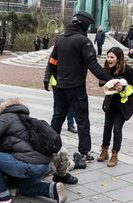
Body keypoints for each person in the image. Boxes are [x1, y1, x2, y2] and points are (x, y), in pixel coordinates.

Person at [44, 11, 113, 169]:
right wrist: (110, 78)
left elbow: (52, 62)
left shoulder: (60, 39)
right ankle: (84, 152)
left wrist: (53, 78)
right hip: (76, 88)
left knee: (57, 118)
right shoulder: (83, 41)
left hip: (60, 87)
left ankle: (51, 150)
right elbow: (93, 65)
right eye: (88, 25)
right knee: (82, 120)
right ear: (83, 24)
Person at [0, 98, 67, 203]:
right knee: (25, 188)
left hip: (30, 165)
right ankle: (52, 189)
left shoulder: (4, 117)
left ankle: (0, 195)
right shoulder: (24, 118)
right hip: (45, 165)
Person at [97, 47, 133, 167]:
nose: (109, 59)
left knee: (117, 129)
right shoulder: (107, 69)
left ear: (118, 58)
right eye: (108, 57)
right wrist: (103, 81)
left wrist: (123, 88)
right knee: (107, 127)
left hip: (123, 106)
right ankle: (104, 150)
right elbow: (101, 83)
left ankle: (115, 154)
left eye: (112, 57)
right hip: (110, 104)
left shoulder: (128, 70)